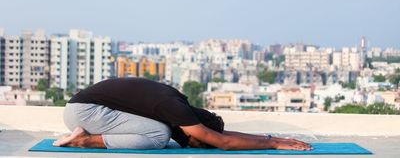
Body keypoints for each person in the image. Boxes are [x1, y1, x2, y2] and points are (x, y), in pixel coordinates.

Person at [54, 78, 312, 151]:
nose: (200, 145)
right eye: (202, 141)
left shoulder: (179, 104)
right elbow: (221, 141)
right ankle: (84, 140)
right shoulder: (176, 109)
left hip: (86, 111)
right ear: (196, 127)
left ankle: (88, 134)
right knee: (158, 135)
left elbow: (217, 136)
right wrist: (274, 143)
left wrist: (267, 136)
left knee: (156, 131)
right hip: (85, 113)